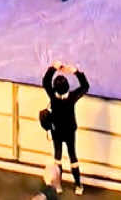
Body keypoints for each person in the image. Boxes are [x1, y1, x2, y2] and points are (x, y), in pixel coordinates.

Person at [42, 64, 89, 195]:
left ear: (55, 88)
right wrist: (76, 72)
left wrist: (53, 68)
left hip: (56, 131)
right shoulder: (72, 97)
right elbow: (85, 86)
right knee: (73, 156)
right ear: (67, 87)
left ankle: (58, 186)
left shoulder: (53, 97)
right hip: (69, 132)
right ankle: (78, 185)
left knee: (57, 157)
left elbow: (45, 82)